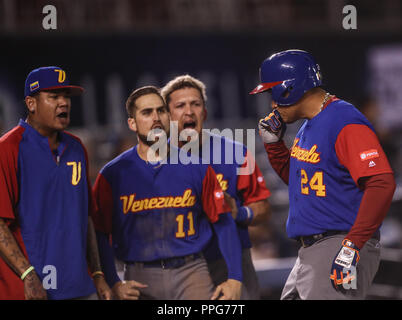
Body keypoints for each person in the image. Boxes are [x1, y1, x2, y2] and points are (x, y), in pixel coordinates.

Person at [250, 49, 396, 299]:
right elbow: (302, 184)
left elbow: (382, 183)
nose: (272, 103)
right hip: (314, 250)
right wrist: (275, 145)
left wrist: (352, 246)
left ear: (289, 88)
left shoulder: (344, 120)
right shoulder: (310, 123)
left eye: (272, 92)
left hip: (339, 244)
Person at [92, 86, 242, 300]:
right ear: (132, 123)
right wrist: (113, 280)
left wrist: (235, 278)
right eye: (147, 112)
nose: (156, 118)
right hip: (139, 275)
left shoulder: (197, 167)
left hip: (192, 271)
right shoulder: (113, 174)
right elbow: (99, 232)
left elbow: (224, 221)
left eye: (161, 111)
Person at [0, 66, 112, 300]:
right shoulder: (8, 149)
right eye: (54, 97)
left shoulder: (76, 148)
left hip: (80, 287)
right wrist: (28, 275)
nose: (64, 103)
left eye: (66, 96)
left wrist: (98, 273)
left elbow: (87, 216)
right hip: (32, 291)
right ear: (31, 104)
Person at [161, 75, 271, 299]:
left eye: (196, 104)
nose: (189, 111)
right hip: (179, 263)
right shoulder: (155, 161)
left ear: (205, 112)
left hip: (231, 261)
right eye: (180, 105)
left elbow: (262, 207)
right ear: (166, 116)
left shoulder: (236, 152)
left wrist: (238, 212)